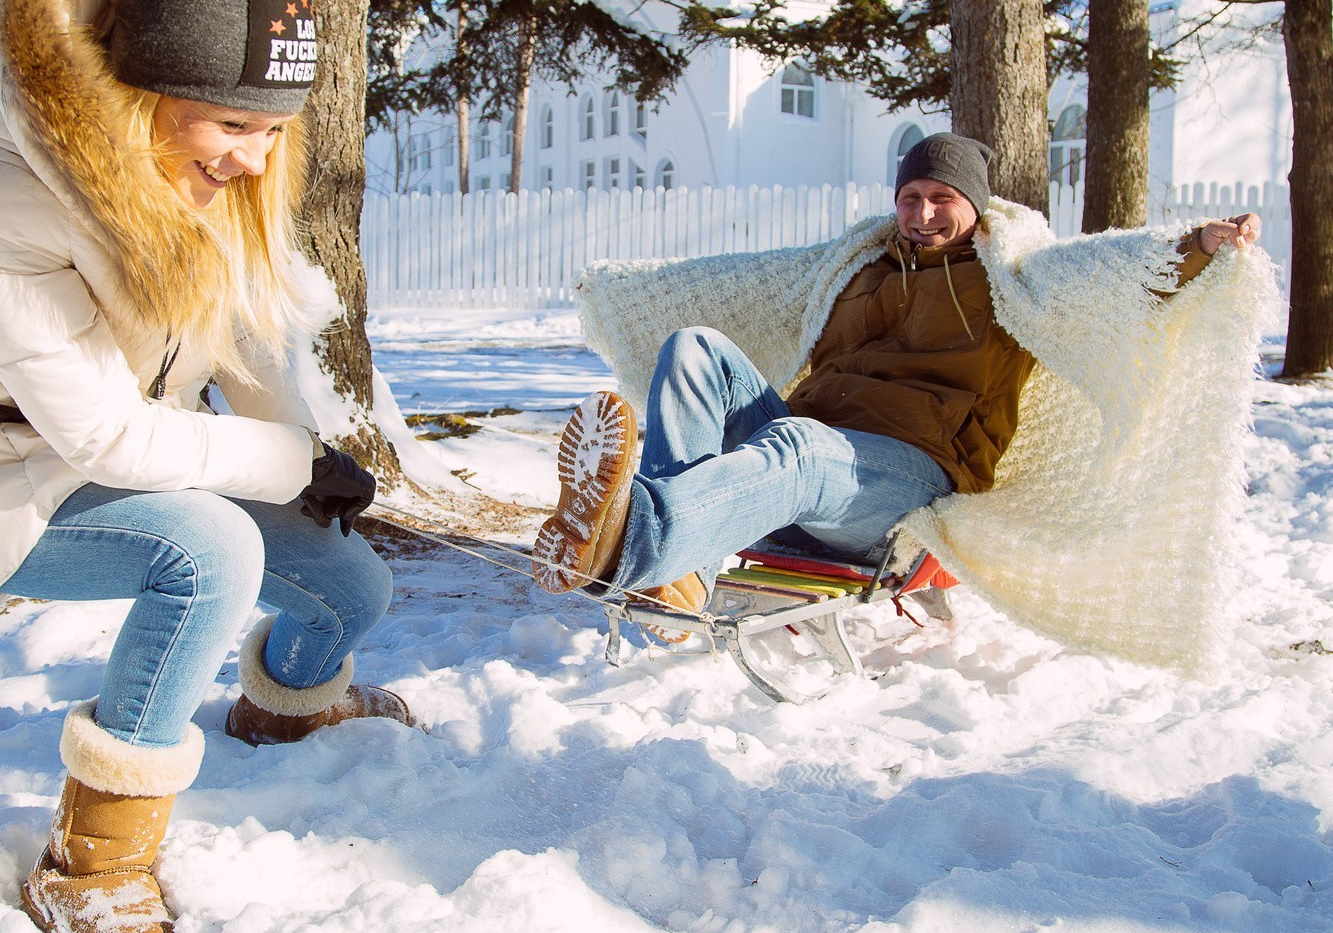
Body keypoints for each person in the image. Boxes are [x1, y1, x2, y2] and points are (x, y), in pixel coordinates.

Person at [0, 0, 412, 933]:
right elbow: (105, 438)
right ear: (142, 92)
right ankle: (93, 860)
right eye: (229, 124)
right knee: (209, 551)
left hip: (96, 447)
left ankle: (288, 706)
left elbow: (242, 338)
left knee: (350, 587)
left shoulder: (201, 176)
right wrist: (276, 462)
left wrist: (308, 459)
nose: (252, 158)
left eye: (271, 130)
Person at [532, 132, 1263, 619]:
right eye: (911, 196)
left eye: (942, 198)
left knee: (799, 447)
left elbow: (1109, 274)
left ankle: (638, 540)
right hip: (806, 461)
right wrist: (616, 289)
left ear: (975, 204)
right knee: (696, 346)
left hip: (904, 480)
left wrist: (1200, 244)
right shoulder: (856, 265)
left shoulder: (1015, 275)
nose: (922, 212)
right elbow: (734, 279)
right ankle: (677, 569)